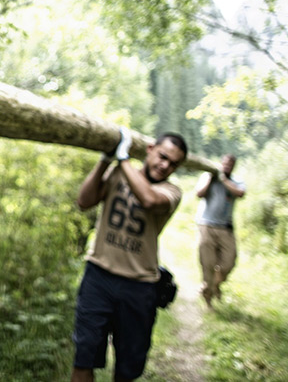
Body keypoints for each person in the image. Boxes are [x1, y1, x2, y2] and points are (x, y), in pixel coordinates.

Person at [72, 128, 188, 382]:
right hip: (98, 276)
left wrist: (122, 158)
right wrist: (105, 160)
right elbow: (84, 201)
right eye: (162, 156)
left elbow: (148, 199)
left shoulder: (172, 192)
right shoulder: (120, 171)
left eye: (173, 163)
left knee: (127, 369)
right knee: (84, 357)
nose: (165, 165)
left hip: (140, 286)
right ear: (150, 150)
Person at [195, 154, 246, 307]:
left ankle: (214, 284)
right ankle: (208, 298)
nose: (226, 166)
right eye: (224, 164)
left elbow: (240, 193)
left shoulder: (236, 181)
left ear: (233, 166)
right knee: (207, 263)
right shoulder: (208, 177)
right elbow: (199, 194)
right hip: (206, 226)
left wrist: (224, 180)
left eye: (229, 165)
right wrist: (212, 178)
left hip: (225, 227)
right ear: (220, 163)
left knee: (229, 262)